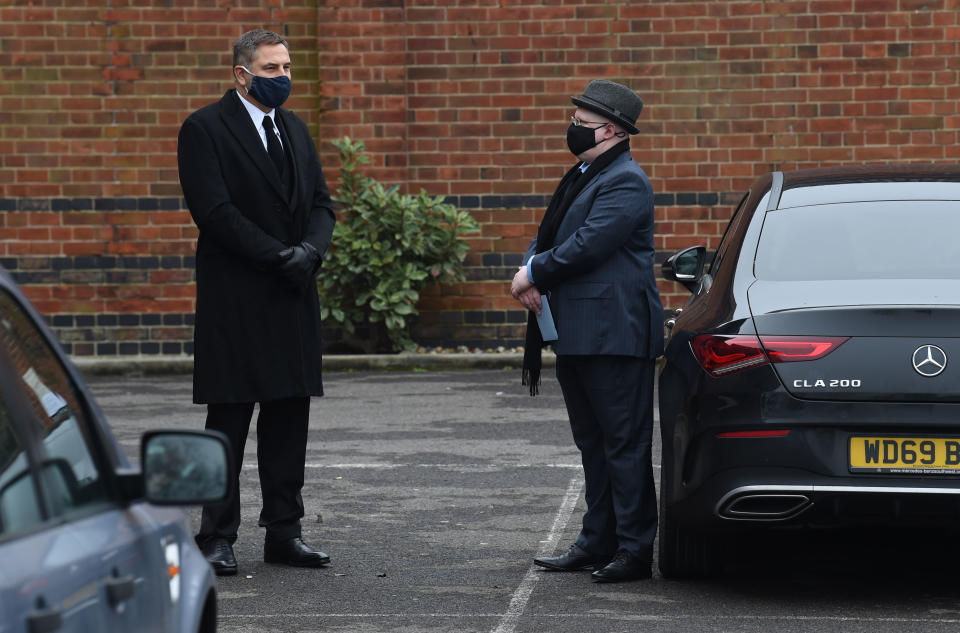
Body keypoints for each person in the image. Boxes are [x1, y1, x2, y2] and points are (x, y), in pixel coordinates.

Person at [177, 29, 336, 576]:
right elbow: (215, 214)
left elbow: (320, 204)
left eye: (287, 67)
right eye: (272, 70)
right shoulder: (204, 129)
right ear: (241, 75)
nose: (283, 78)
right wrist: (279, 256)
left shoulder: (293, 127)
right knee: (228, 420)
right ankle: (216, 535)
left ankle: (284, 534)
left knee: (290, 418)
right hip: (237, 300)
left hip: (292, 296)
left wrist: (310, 252)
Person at [510, 79, 663, 583]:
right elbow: (552, 232)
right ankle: (596, 540)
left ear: (612, 130)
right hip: (579, 331)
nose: (572, 128)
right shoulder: (584, 172)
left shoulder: (625, 181)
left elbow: (589, 244)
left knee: (623, 444)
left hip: (614, 332)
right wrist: (533, 267)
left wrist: (535, 273)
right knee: (593, 444)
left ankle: (634, 549)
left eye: (582, 123)